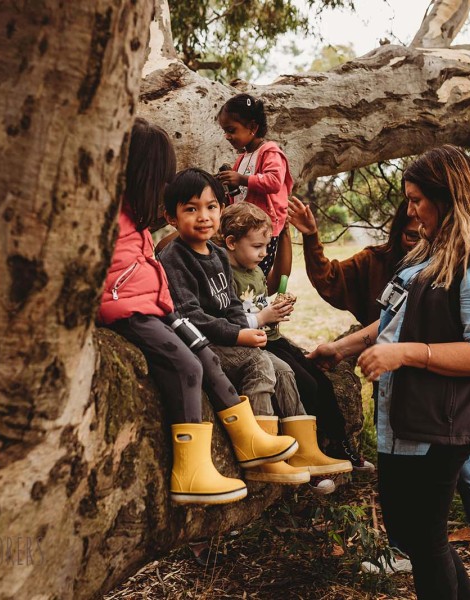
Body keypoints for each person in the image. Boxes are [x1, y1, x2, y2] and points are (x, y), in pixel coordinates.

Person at [288, 192, 470, 594]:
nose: (412, 209)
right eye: (409, 199)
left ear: (450, 195)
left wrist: (403, 354)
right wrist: (343, 348)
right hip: (404, 414)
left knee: (425, 532)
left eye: (420, 199)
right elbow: (393, 318)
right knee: (410, 528)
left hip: (443, 418)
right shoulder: (429, 250)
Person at [97, 118, 299, 506]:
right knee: (187, 366)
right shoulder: (110, 219)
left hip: (157, 309)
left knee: (203, 353)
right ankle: (191, 472)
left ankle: (248, 439)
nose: (159, 193)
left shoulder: (136, 223)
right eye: (159, 184)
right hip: (132, 313)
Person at [158, 168, 352, 486]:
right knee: (259, 363)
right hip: (202, 344)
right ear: (171, 217)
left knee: (285, 370)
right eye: (191, 209)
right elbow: (191, 316)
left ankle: (303, 448)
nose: (204, 216)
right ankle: (260, 453)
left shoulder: (217, 255)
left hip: (229, 339)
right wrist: (238, 334)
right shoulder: (175, 258)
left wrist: (249, 331)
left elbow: (233, 306)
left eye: (211, 207)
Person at [220, 201, 375, 473]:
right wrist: (264, 316)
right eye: (257, 247)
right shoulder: (223, 274)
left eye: (266, 246)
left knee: (321, 381)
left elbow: (266, 292)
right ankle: (302, 452)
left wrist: (276, 309)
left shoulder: (254, 270)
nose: (263, 253)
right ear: (231, 242)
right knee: (303, 383)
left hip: (273, 339)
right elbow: (232, 319)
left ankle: (340, 446)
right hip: (253, 343)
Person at [289, 198, 419, 326]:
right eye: (413, 236)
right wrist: (311, 236)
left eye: (428, 236)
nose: (420, 246)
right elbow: (329, 279)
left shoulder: (437, 271)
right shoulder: (374, 261)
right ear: (398, 231)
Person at [216, 93, 293, 276]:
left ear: (252, 127)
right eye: (225, 131)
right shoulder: (242, 158)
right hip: (243, 228)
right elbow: (239, 194)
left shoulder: (270, 152)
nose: (227, 136)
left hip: (264, 229)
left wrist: (242, 179)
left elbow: (274, 182)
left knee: (257, 275)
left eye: (231, 130)